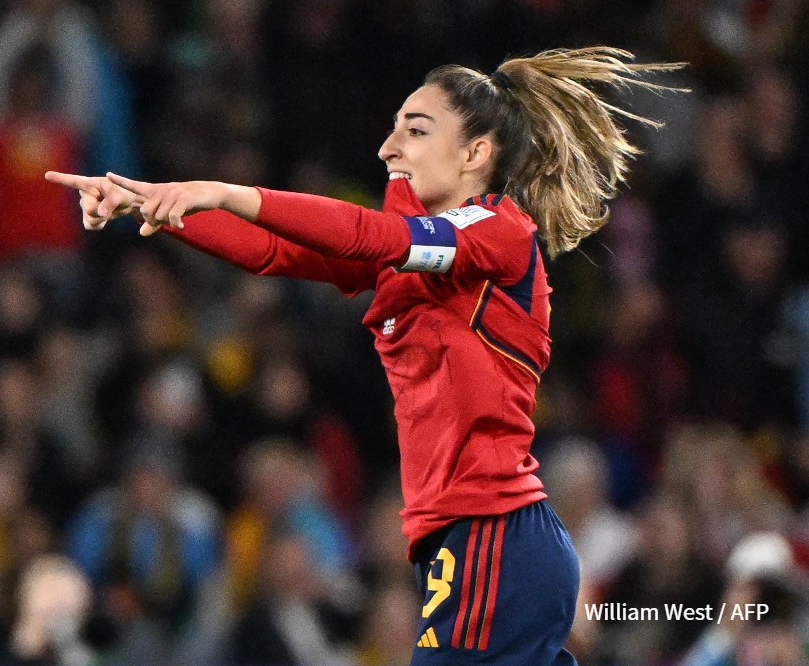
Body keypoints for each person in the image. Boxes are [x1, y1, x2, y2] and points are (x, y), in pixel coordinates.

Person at [47, 47, 683, 665]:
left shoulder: (498, 232)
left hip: (494, 533)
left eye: (415, 129)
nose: (388, 148)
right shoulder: (416, 256)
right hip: (474, 538)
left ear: (475, 153)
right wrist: (150, 202)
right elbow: (275, 251)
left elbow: (371, 233)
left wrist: (221, 189)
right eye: (393, 129)